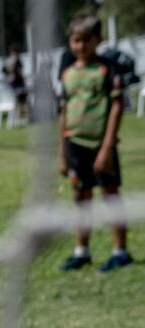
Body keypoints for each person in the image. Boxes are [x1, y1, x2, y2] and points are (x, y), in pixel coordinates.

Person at [57, 15, 131, 273]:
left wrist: (107, 147)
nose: (80, 46)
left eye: (86, 40)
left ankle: (120, 251)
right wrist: (62, 153)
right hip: (74, 145)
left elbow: (117, 106)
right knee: (81, 197)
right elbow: (63, 111)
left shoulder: (106, 69)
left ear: (98, 40)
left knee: (110, 195)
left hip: (100, 146)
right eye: (75, 41)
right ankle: (81, 251)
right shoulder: (66, 72)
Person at [3, 47, 28, 123]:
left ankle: (19, 117)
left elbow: (20, 72)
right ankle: (17, 118)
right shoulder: (9, 62)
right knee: (17, 101)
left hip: (19, 84)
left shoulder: (18, 61)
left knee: (22, 101)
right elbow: (4, 71)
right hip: (14, 85)